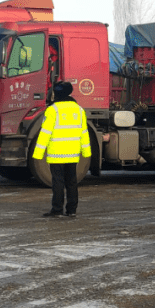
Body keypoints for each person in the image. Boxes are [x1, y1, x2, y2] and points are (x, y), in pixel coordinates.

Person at [32, 81, 91, 217]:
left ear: (56, 94)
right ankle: (72, 210)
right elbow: (84, 133)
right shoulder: (79, 110)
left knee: (58, 182)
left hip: (56, 153)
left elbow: (45, 133)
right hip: (73, 153)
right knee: (72, 182)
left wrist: (38, 154)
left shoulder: (53, 110)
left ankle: (57, 210)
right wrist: (86, 152)